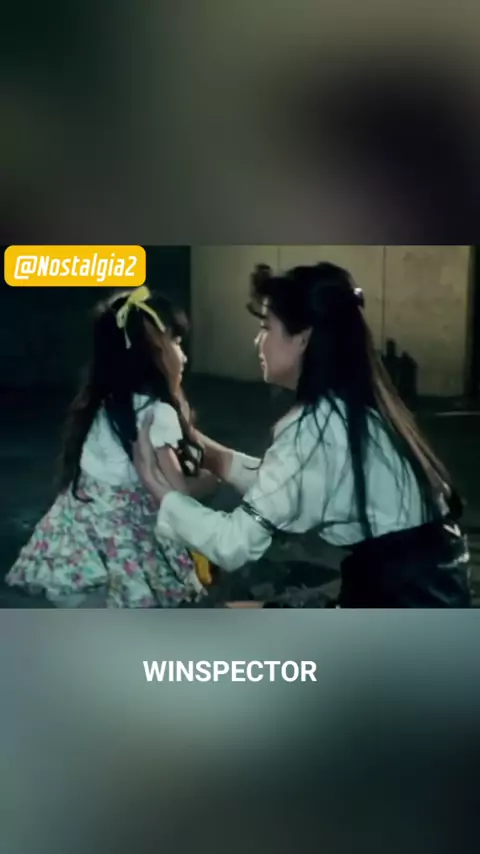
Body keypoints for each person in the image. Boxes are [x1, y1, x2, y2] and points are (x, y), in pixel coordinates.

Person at [133, 263, 472, 608]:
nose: (258, 341)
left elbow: (233, 543)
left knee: (231, 615)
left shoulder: (314, 432)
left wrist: (159, 488)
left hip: (403, 600)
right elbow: (287, 486)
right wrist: (208, 452)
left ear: (303, 338)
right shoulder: (350, 408)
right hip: (429, 584)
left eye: (266, 328)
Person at [6, 286, 218, 608]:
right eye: (175, 342)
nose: (183, 354)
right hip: (124, 529)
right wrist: (211, 481)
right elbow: (180, 496)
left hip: (78, 529)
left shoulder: (101, 401)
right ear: (152, 351)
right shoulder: (157, 412)